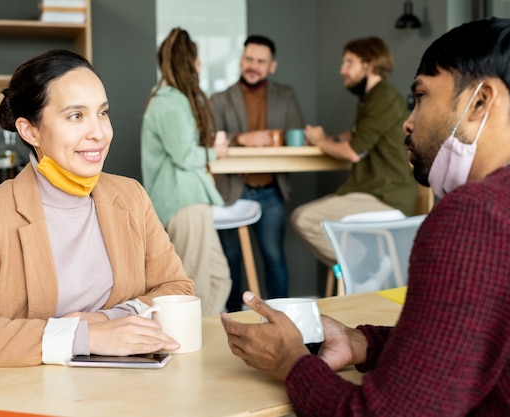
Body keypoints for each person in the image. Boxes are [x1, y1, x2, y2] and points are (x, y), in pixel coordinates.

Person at [221, 17, 510, 416]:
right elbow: (470, 345)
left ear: (482, 101)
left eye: (420, 96)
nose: (409, 121)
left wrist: (290, 362)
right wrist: (361, 342)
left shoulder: (475, 215)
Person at [0, 49, 195, 368]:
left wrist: (108, 318)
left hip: (128, 390)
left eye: (102, 113)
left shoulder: (131, 197)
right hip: (28, 395)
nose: (99, 133)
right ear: (30, 130)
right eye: (75, 116)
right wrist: (82, 337)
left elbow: (176, 288)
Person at [291, 36, 418, 270]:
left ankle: (365, 267)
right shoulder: (370, 98)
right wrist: (329, 140)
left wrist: (320, 140)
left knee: (304, 219)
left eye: (349, 62)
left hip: (387, 196)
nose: (342, 70)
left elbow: (352, 152)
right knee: (308, 217)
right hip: (372, 191)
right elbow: (356, 135)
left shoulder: (382, 97)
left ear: (368, 65)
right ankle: (369, 266)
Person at [141, 28, 231, 317]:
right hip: (185, 202)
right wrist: (216, 151)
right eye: (198, 60)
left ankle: (205, 336)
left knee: (219, 278)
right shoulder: (170, 103)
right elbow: (184, 155)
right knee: (196, 284)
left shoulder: (170, 100)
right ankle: (194, 348)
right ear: (190, 62)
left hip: (191, 200)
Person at [210, 35, 304, 311]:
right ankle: (233, 318)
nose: (253, 65)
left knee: (273, 256)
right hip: (231, 191)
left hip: (270, 191)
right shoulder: (220, 99)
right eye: (249, 59)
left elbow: (296, 134)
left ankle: (285, 317)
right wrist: (243, 138)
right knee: (231, 259)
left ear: (271, 66)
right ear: (241, 60)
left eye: (260, 61)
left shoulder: (285, 95)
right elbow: (210, 138)